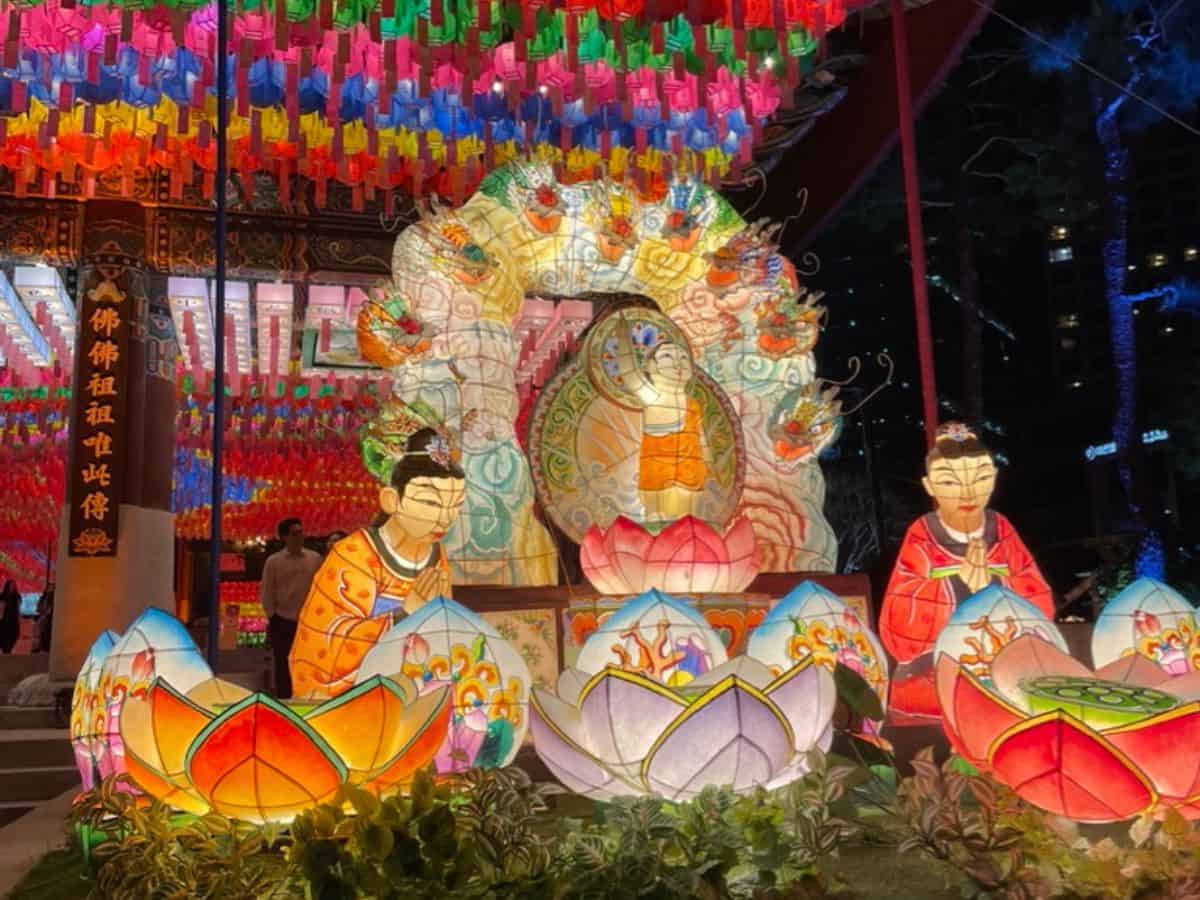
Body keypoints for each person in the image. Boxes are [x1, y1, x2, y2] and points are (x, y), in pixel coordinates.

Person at [880, 422, 1053, 717]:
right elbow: (898, 617)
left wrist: (996, 585)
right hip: (935, 675)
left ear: (994, 479)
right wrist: (957, 583)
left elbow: (1040, 599)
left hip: (1007, 671)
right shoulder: (923, 534)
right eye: (949, 482)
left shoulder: (1001, 529)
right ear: (929, 485)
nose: (967, 492)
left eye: (980, 478)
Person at [290, 423, 466, 701]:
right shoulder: (355, 554)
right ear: (391, 500)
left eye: (455, 505)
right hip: (353, 697)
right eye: (431, 503)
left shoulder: (436, 555)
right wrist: (404, 614)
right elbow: (327, 646)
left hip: (415, 688)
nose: (445, 518)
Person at [261, 518, 321, 699]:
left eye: (301, 532)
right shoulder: (274, 561)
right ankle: (284, 699)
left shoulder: (314, 559)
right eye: (295, 533)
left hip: (310, 621)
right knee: (283, 662)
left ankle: (308, 696)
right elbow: (267, 590)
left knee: (310, 661)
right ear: (284, 537)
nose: (299, 537)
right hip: (283, 619)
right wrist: (272, 615)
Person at [0, 580, 20, 655]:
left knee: (13, 637)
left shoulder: (17, 597)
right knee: (4, 639)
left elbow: (18, 610)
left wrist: (19, 619)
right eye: (10, 585)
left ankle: (7, 651)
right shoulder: (2, 596)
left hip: (13, 621)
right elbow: (1, 609)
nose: (12, 587)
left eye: (13, 586)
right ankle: (6, 652)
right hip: (4, 621)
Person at [34, 587, 53, 653]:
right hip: (45, 617)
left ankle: (42, 647)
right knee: (42, 632)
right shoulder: (44, 598)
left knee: (44, 632)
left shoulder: (49, 597)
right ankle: (42, 647)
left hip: (47, 618)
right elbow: (39, 608)